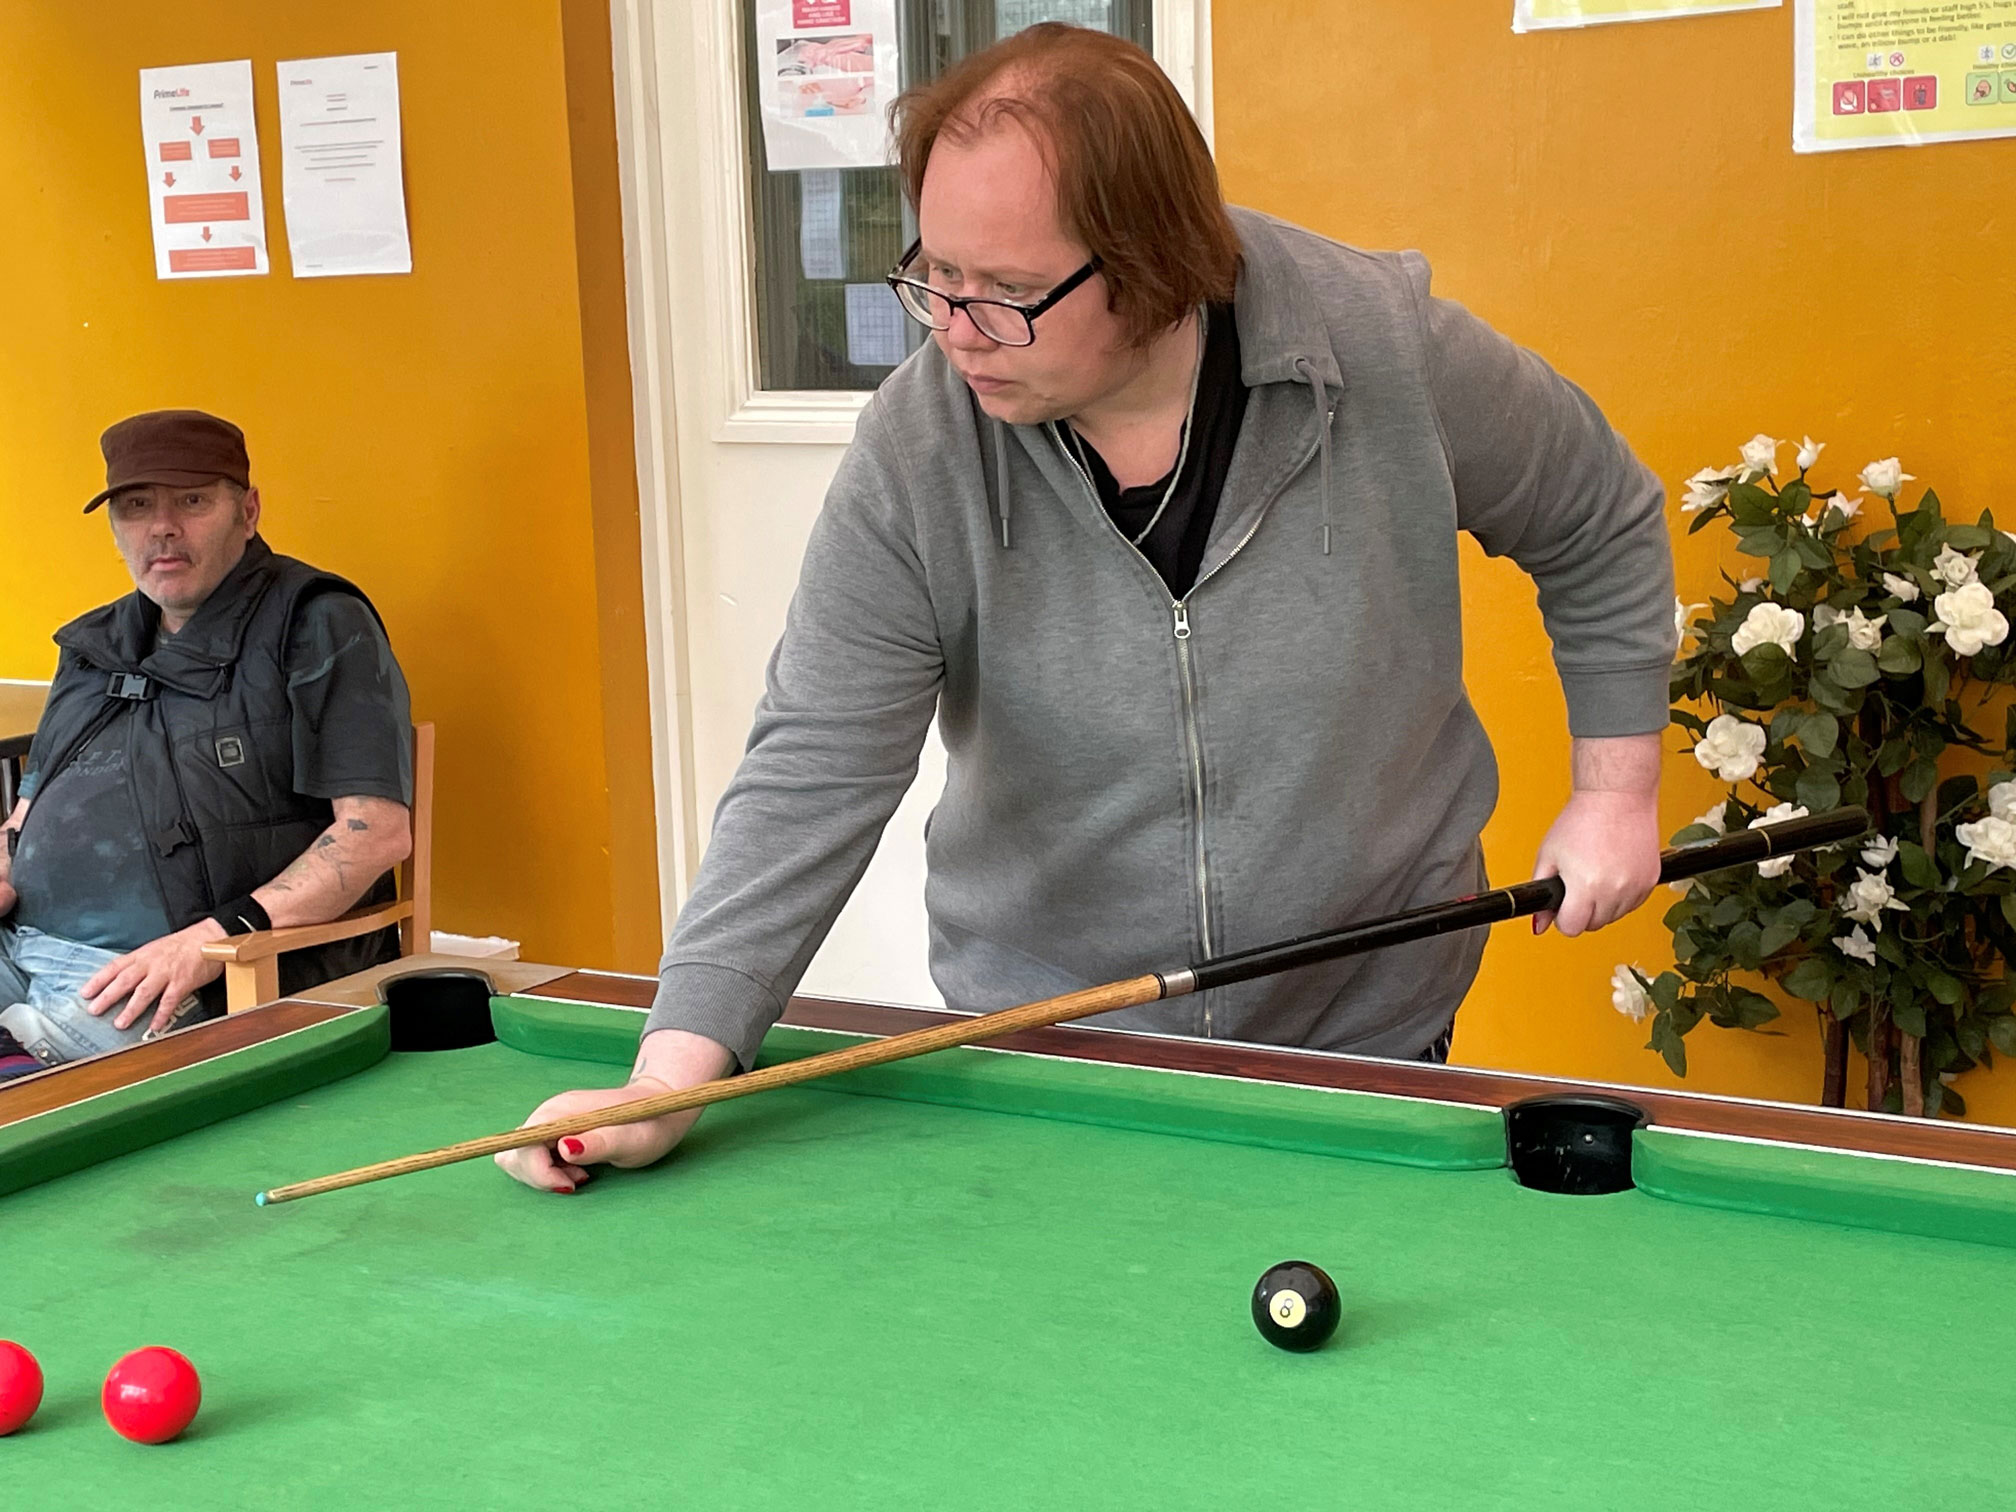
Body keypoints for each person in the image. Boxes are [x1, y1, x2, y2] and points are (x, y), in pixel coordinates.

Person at [496, 24, 1674, 1193]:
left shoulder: (1385, 352)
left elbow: (1599, 516)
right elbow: (815, 763)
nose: (959, 332)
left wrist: (1614, 793)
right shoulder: (921, 446)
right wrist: (669, 1077)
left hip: (1364, 1028)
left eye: (1010, 293)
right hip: (1049, 1043)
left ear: (1153, 263)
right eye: (937, 276)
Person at [0, 410, 415, 1080]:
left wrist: (212, 939)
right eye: (137, 506)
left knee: (39, 1089)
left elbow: (377, 835)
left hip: (197, 971)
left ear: (247, 512)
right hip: (22, 946)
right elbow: (27, 813)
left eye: (192, 501)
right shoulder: (94, 645)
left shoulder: (318, 622)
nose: (162, 527)